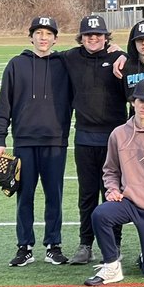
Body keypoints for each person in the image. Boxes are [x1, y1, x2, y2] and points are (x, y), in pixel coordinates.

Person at [83, 81, 144, 285]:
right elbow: (110, 170)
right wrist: (112, 189)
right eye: (141, 100)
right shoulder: (119, 134)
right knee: (100, 214)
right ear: (133, 102)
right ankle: (112, 265)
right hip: (129, 203)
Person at [0, 15, 73, 267]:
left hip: (55, 141)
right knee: (24, 195)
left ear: (55, 39)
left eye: (48, 34)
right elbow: (4, 102)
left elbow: (89, 58)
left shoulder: (64, 63)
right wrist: (0, 138)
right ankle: (24, 246)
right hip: (24, 140)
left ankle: (53, 245)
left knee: (54, 195)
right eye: (39, 33)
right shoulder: (16, 64)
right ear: (31, 36)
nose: (43, 38)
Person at [59, 14, 127, 265]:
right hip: (85, 139)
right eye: (89, 35)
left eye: (98, 35)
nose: (94, 38)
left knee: (113, 194)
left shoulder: (118, 59)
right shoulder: (70, 58)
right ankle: (85, 244)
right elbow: (47, 56)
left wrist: (123, 53)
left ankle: (114, 245)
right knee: (87, 195)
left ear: (106, 37)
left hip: (114, 138)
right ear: (81, 38)